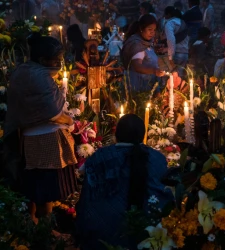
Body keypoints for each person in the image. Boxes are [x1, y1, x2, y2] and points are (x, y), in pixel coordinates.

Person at [5, 33, 77, 225]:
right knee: (46, 187)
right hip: (47, 139)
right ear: (43, 60)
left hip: (28, 138)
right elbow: (53, 113)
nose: (60, 64)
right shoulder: (40, 77)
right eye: (57, 60)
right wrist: (69, 121)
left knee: (33, 184)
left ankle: (32, 223)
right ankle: (45, 229)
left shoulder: (22, 71)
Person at [76, 114, 173, 250]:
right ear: (142, 135)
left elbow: (87, 191)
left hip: (102, 235)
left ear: (116, 134)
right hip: (147, 234)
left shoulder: (100, 156)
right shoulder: (157, 158)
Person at [122, 14, 164, 92]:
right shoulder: (136, 44)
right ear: (141, 29)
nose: (152, 33)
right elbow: (137, 66)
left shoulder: (145, 43)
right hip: (139, 88)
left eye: (154, 30)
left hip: (148, 86)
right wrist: (154, 71)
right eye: (150, 29)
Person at [162, 6, 190, 74]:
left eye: (165, 15)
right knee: (179, 79)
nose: (164, 17)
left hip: (176, 54)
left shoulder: (169, 23)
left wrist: (170, 58)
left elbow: (171, 40)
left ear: (168, 15)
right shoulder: (183, 22)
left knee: (170, 78)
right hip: (185, 54)